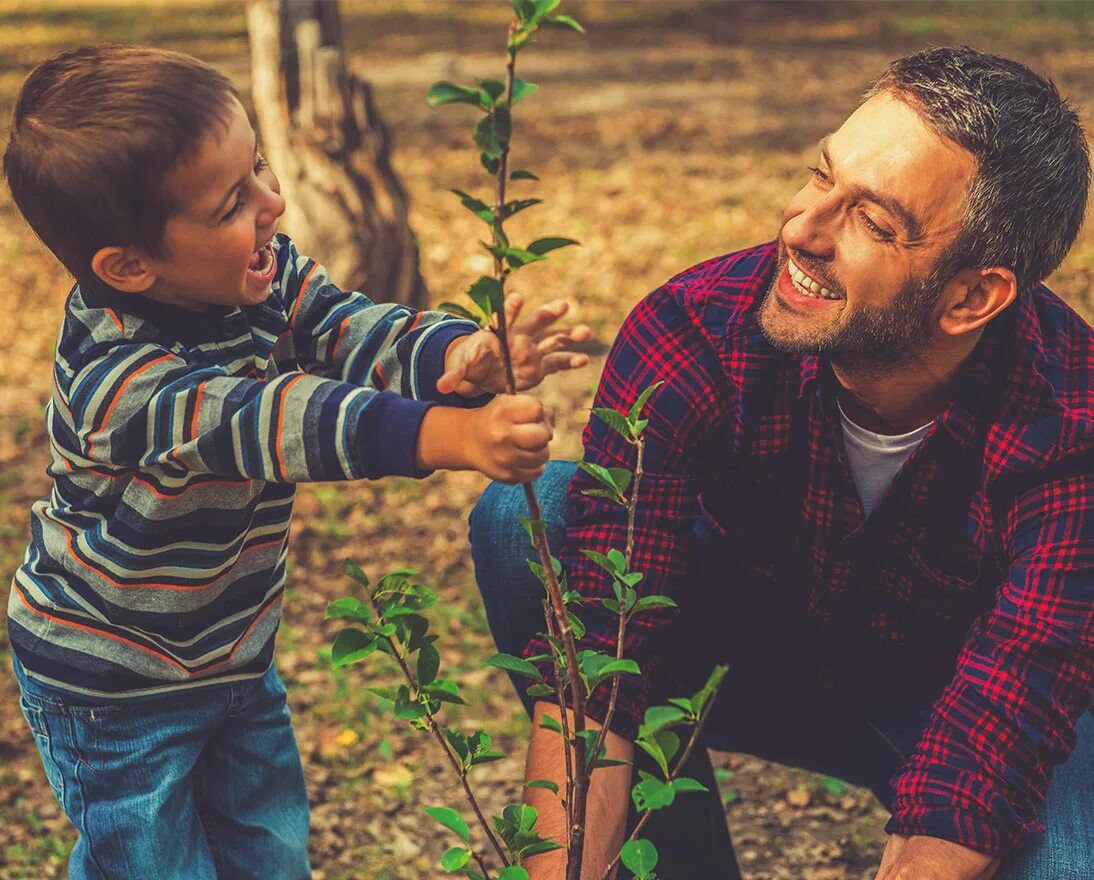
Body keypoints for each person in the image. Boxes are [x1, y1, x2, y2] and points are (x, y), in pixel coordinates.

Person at [471, 46, 1092, 880]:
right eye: (820, 175)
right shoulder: (692, 333)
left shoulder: (1070, 417)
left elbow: (1009, 709)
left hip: (954, 691)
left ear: (972, 298)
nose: (801, 229)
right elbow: (602, 661)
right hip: (753, 648)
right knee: (528, 515)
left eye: (873, 222)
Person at [3, 45, 590, 879]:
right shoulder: (123, 385)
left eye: (261, 168)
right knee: (153, 866)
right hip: (113, 690)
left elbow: (353, 328)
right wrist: (451, 437)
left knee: (270, 852)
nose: (274, 203)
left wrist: (461, 356)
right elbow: (281, 419)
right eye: (231, 202)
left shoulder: (259, 278)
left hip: (231, 656)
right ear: (130, 266)